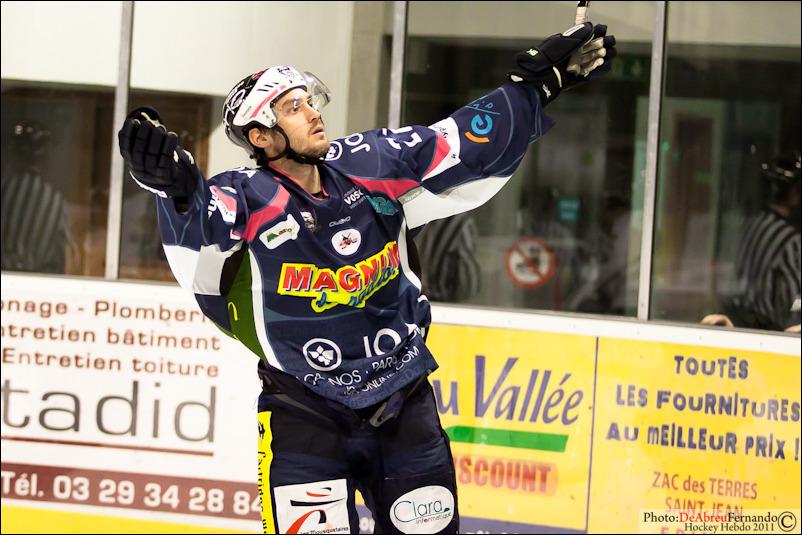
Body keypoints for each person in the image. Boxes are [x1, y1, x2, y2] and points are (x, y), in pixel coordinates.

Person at [118, 22, 616, 534]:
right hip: (302, 414)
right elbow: (201, 221)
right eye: (293, 107)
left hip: (404, 405)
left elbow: (458, 142)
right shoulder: (244, 196)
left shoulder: (369, 162)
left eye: (309, 100)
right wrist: (172, 186)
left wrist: (535, 86)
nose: (313, 112)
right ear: (261, 137)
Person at [702, 152, 801, 333]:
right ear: (793, 195)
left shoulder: (750, 224)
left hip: (734, 316)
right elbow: (793, 300)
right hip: (762, 327)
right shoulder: (790, 240)